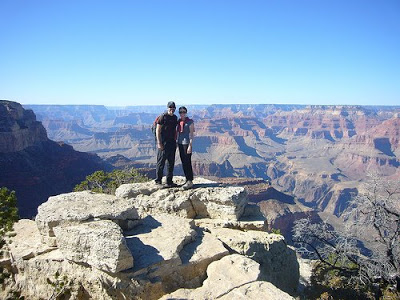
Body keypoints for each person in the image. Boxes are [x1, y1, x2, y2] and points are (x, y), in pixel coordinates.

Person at [155, 101, 178, 187]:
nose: (172, 109)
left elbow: (175, 130)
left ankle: (169, 181)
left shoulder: (175, 118)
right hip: (163, 143)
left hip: (172, 143)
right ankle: (158, 181)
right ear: (167, 108)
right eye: (170, 108)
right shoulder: (163, 117)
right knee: (161, 163)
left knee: (171, 163)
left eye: (173, 108)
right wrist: (159, 142)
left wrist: (176, 141)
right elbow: (158, 130)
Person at [177, 106, 195, 189]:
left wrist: (190, 146)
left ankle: (190, 180)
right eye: (181, 112)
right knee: (183, 162)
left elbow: (191, 135)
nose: (182, 113)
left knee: (187, 162)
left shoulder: (190, 122)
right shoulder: (179, 121)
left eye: (184, 112)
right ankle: (187, 179)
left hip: (186, 144)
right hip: (180, 144)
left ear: (186, 112)